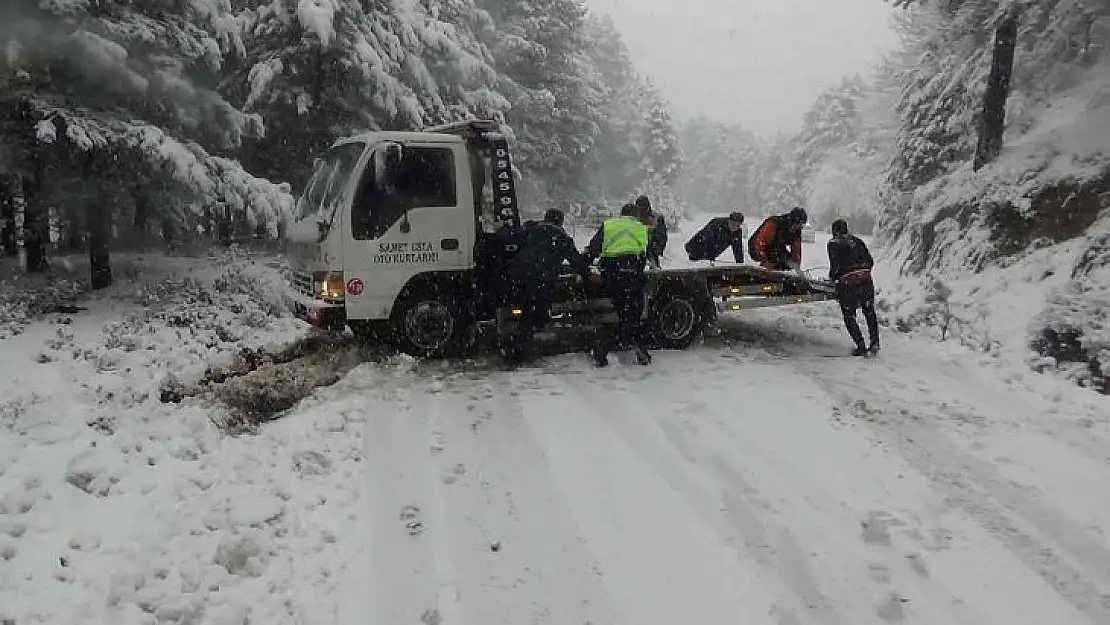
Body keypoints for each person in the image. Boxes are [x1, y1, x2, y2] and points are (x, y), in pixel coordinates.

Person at [502, 208, 586, 363]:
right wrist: (586, 272)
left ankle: (516, 343)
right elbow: (577, 262)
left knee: (524, 310)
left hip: (517, 275)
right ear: (560, 221)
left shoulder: (529, 230)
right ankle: (518, 349)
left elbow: (510, 242)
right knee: (537, 315)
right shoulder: (561, 237)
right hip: (540, 279)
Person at [584, 203, 651, 367]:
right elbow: (646, 252)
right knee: (632, 316)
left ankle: (602, 351)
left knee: (623, 314)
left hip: (615, 275)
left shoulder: (609, 225)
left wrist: (582, 267)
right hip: (635, 276)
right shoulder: (641, 228)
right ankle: (640, 349)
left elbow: (594, 248)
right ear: (635, 215)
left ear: (621, 214)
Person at [828, 219, 880, 356]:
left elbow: (835, 268)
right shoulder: (857, 241)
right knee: (869, 311)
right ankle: (875, 342)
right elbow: (870, 261)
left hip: (849, 284)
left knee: (849, 315)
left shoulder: (833, 244)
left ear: (834, 231)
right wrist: (861, 269)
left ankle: (861, 345)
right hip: (866, 281)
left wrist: (833, 278)